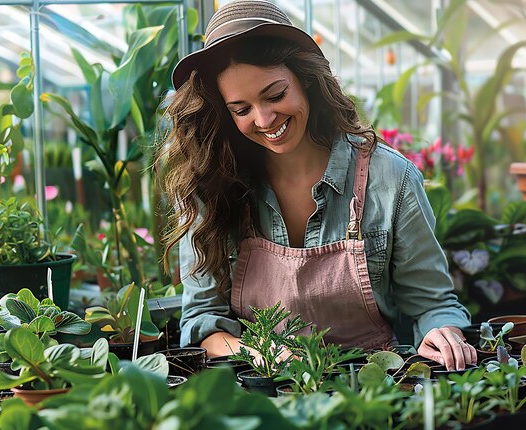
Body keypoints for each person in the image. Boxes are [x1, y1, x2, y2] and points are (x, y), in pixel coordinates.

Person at [158, 0, 476, 370]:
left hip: (375, 390)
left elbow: (432, 304)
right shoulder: (212, 188)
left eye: (275, 95)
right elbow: (201, 320)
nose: (264, 118)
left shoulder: (391, 180)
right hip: (262, 394)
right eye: (242, 109)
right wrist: (262, 354)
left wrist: (445, 332)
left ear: (307, 81)